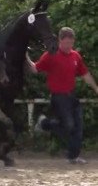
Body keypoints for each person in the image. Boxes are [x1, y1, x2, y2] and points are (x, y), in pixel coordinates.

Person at [26, 27, 98, 164]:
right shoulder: (51, 55)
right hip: (58, 97)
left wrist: (96, 88)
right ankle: (44, 123)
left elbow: (85, 74)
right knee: (69, 126)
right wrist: (26, 56)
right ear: (59, 40)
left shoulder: (75, 56)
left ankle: (73, 156)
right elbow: (35, 69)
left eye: (70, 44)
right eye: (66, 43)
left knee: (78, 127)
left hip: (71, 96)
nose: (68, 46)